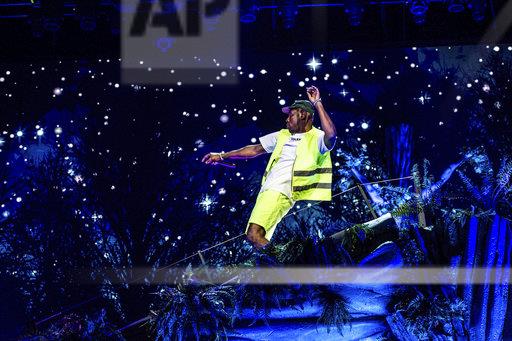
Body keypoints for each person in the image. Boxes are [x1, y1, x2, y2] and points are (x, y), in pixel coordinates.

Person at [202, 86, 337, 249]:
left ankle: (292, 267)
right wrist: (222, 156)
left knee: (253, 235)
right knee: (259, 242)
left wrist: (317, 103)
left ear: (303, 114)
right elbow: (254, 149)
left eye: (291, 115)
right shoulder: (283, 135)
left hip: (280, 191)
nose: (286, 120)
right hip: (268, 191)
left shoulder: (317, 138)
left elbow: (331, 135)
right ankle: (287, 266)